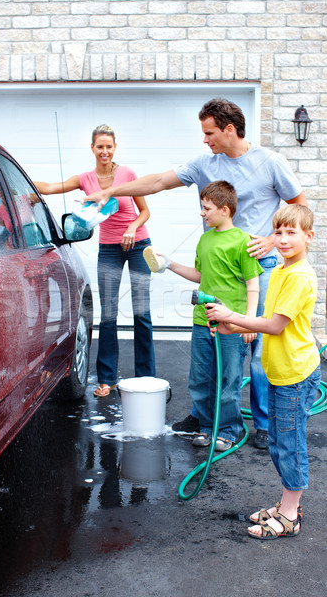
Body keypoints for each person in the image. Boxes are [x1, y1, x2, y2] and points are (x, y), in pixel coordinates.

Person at [82, 98, 307, 449]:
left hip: (255, 265)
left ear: (229, 129)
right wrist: (112, 190)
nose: (205, 140)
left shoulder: (270, 162)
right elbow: (157, 182)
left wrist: (270, 239)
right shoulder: (205, 163)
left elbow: (301, 207)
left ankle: (262, 423)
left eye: (210, 133)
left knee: (256, 348)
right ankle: (204, 416)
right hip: (215, 266)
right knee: (208, 344)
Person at [205, 204, 320, 539]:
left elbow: (274, 325)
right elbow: (268, 319)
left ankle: (289, 517)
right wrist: (230, 326)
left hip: (294, 375)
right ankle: (288, 504)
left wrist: (231, 315)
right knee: (279, 443)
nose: (283, 239)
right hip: (280, 371)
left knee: (290, 444)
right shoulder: (284, 270)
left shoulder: (298, 276)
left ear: (308, 237)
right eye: (279, 232)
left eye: (291, 233)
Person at [35, 124, 155, 397]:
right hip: (109, 249)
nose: (105, 151)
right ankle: (107, 379)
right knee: (108, 315)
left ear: (115, 149)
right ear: (92, 148)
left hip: (138, 245)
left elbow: (145, 212)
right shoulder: (86, 178)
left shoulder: (127, 175)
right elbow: (52, 187)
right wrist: (25, 188)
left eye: (109, 147)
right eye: (100, 146)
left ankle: (146, 379)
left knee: (141, 313)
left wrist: (132, 228)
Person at [145, 180, 263, 451]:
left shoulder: (243, 242)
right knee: (200, 378)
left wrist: (248, 322)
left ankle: (228, 429)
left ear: (225, 210)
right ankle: (208, 427)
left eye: (206, 208)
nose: (202, 213)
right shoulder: (204, 239)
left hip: (231, 325)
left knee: (229, 379)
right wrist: (170, 264)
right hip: (203, 322)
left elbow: (252, 284)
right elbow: (200, 276)